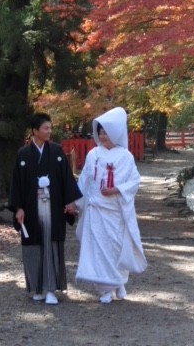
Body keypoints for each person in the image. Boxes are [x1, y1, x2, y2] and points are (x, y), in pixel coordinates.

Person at [75, 106, 147, 303]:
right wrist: (75, 202)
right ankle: (105, 290)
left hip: (115, 210)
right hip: (96, 209)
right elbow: (85, 180)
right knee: (99, 249)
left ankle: (119, 282)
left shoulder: (125, 156)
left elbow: (134, 181)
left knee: (115, 247)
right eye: (100, 132)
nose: (103, 136)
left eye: (106, 132)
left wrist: (116, 189)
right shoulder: (93, 154)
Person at [9, 112, 82, 305]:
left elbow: (67, 179)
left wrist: (71, 202)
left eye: (50, 128)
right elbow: (16, 184)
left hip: (53, 206)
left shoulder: (57, 152)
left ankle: (50, 288)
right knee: (33, 246)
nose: (49, 131)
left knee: (51, 245)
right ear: (35, 131)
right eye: (45, 128)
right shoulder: (23, 154)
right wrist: (18, 208)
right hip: (31, 208)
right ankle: (36, 287)